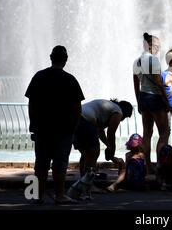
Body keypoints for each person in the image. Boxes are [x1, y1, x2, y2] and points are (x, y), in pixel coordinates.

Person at [25, 45, 85, 204]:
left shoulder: (39, 77)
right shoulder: (70, 79)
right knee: (60, 163)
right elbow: (77, 108)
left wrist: (33, 124)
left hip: (42, 128)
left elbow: (31, 103)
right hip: (63, 129)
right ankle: (60, 195)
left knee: (41, 163)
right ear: (65, 60)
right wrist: (73, 127)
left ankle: (37, 196)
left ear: (51, 58)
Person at [133, 32, 170, 173]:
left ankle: (148, 166)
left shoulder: (136, 61)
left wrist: (139, 102)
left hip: (143, 98)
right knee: (164, 132)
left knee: (147, 133)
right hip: (155, 98)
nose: (158, 49)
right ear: (150, 46)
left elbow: (136, 85)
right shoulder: (153, 60)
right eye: (157, 46)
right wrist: (167, 101)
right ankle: (161, 165)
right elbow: (159, 83)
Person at [73, 99, 133, 177]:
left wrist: (108, 147)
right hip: (85, 120)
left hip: (73, 118)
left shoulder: (107, 108)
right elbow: (110, 134)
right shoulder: (118, 111)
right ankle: (88, 183)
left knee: (85, 154)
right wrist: (112, 152)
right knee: (94, 152)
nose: (122, 120)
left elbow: (100, 132)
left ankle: (82, 181)